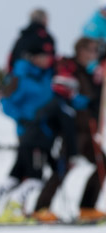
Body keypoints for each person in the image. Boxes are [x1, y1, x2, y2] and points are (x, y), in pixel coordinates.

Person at [0, 42, 75, 223]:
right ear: (34, 57)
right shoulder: (20, 77)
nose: (47, 60)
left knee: (15, 177)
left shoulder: (46, 78)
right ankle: (13, 210)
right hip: (32, 135)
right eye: (43, 56)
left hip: (37, 136)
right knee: (34, 178)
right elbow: (6, 102)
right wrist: (26, 117)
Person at [35, 38, 106, 222]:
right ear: (81, 50)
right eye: (91, 50)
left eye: (96, 50)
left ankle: (87, 208)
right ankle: (40, 209)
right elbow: (61, 92)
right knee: (63, 167)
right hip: (72, 131)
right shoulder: (69, 67)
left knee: (102, 165)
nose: (94, 54)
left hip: (88, 131)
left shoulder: (91, 73)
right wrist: (76, 100)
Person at [7, 8, 56, 74]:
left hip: (18, 75)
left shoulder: (22, 37)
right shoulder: (46, 37)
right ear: (44, 19)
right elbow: (51, 57)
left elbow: (11, 57)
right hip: (40, 75)